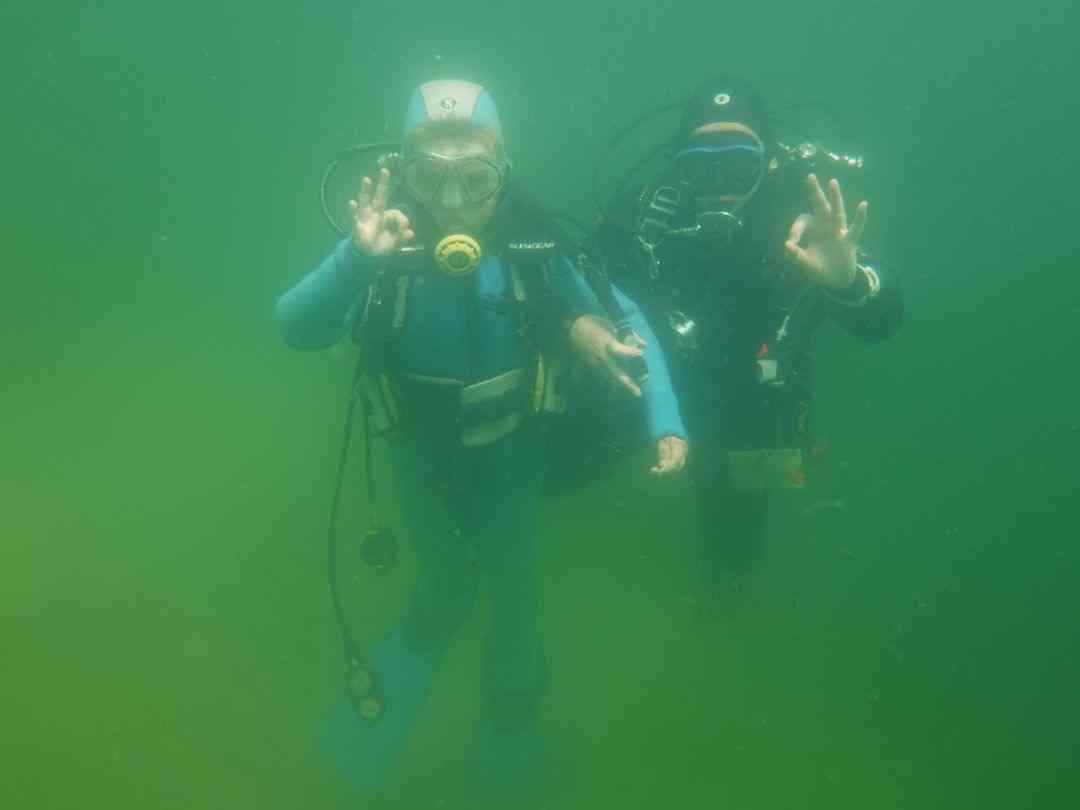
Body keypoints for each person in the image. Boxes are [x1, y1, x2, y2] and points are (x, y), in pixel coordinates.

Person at [275, 79, 687, 802]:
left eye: (475, 177)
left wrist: (666, 418)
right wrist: (354, 260)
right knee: (445, 584)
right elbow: (297, 328)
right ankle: (377, 726)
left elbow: (629, 326)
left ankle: (505, 760)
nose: (454, 201)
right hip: (417, 459)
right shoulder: (379, 249)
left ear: (505, 173)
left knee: (515, 605)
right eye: (432, 176)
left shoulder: (538, 251)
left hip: (510, 462)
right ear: (404, 174)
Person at [596, 75, 903, 617]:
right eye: (701, 165)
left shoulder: (804, 223)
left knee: (734, 536)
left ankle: (725, 593)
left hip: (753, 408)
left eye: (739, 163)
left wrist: (847, 281)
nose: (720, 183)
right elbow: (577, 281)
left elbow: (883, 321)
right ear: (678, 166)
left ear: (768, 160)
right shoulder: (648, 215)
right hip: (650, 387)